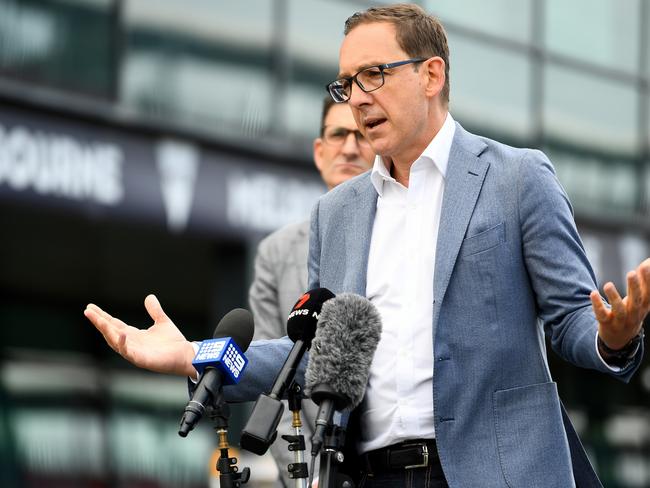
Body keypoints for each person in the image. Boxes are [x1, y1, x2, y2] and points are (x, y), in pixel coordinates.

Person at [85, 4, 648, 487]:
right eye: (346, 83)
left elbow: (572, 318)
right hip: (368, 474)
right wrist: (191, 354)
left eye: (373, 75)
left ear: (431, 75)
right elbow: (307, 357)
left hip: (493, 471)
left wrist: (613, 337)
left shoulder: (518, 178)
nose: (356, 98)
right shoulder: (337, 213)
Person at [249, 97, 374, 487]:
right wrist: (307, 476)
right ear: (320, 152)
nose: (350, 147)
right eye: (338, 135)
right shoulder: (276, 253)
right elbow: (273, 384)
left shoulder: (402, 237)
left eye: (360, 135)